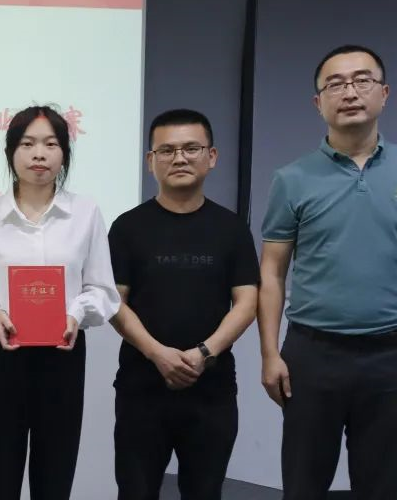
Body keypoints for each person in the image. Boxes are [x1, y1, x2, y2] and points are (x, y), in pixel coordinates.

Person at [258, 44, 397, 499]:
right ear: (318, 102)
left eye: (362, 80)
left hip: (392, 356)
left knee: (379, 486)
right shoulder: (292, 178)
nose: (349, 92)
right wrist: (269, 352)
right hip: (312, 355)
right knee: (303, 486)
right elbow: (272, 270)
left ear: (384, 93)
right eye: (335, 84)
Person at [0, 105, 120, 500]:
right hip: (3, 356)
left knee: (55, 475)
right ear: (11, 153)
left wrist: (76, 312)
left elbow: (102, 289)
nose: (39, 154)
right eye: (27, 144)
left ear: (64, 153)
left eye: (51, 144)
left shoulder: (85, 213)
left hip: (63, 354)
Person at [108, 109, 259, 499]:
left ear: (212, 156)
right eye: (167, 150)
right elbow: (115, 303)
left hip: (212, 391)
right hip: (142, 389)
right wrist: (157, 353)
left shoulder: (231, 228)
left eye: (191, 148)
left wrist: (204, 353)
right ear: (150, 161)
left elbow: (247, 302)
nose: (179, 158)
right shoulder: (126, 227)